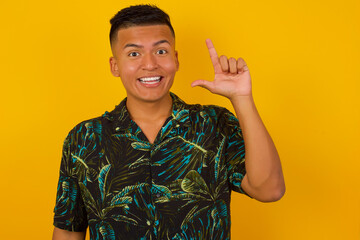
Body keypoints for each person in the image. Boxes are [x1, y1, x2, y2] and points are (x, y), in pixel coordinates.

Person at [52, 4, 285, 240]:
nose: (150, 64)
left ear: (176, 59)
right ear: (115, 66)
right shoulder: (84, 138)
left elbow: (269, 189)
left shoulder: (215, 124)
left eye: (161, 51)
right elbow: (69, 230)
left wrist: (242, 98)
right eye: (134, 53)